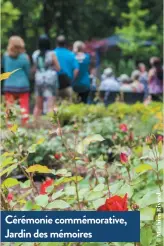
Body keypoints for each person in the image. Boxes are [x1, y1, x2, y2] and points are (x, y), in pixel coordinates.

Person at [3, 36, 30, 125]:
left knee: (9, 107)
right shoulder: (25, 57)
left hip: (9, 85)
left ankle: (9, 127)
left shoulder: (5, 56)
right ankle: (25, 125)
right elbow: (27, 72)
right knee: (24, 107)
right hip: (23, 85)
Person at [32, 34, 60, 121]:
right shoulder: (52, 54)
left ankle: (35, 123)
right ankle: (52, 125)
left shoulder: (35, 54)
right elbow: (58, 68)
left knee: (38, 105)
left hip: (39, 79)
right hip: (50, 80)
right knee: (51, 104)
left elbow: (35, 67)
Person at [54, 35, 79, 100]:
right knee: (69, 107)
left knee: (55, 108)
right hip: (67, 84)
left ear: (56, 43)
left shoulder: (52, 54)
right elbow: (76, 70)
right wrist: (72, 80)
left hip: (55, 85)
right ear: (65, 44)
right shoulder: (71, 54)